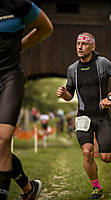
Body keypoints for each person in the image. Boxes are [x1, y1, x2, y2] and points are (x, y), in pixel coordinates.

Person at [57, 32, 111, 199]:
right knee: (87, 152)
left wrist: (110, 97)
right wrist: (64, 93)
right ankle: (96, 188)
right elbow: (69, 96)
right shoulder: (72, 69)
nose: (80, 47)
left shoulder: (102, 63)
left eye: (84, 44)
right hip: (83, 116)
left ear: (92, 46)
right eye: (78, 44)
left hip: (102, 116)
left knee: (106, 157)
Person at [0, 0, 53, 199]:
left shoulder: (18, 4)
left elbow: (45, 27)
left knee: (3, 139)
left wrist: (20, 46)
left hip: (9, 76)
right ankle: (29, 188)